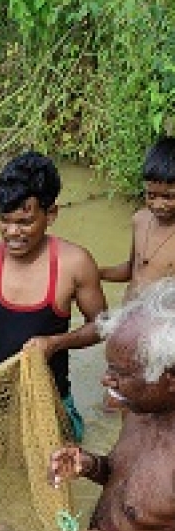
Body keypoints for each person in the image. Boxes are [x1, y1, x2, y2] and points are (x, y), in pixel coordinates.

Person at [48, 279, 175, 531]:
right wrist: (90, 465)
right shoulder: (140, 408)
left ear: (169, 378)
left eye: (121, 373)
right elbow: (131, 485)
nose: (106, 381)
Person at [0, 151, 107, 442]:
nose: (13, 232)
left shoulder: (75, 263)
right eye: (5, 221)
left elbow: (102, 326)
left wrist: (56, 343)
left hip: (49, 405)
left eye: (25, 222)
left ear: (51, 214)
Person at [99, 136, 175, 411]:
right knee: (113, 401)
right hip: (129, 322)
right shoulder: (139, 220)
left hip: (160, 334)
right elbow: (132, 269)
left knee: (150, 401)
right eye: (151, 195)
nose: (158, 204)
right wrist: (97, 273)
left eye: (169, 196)